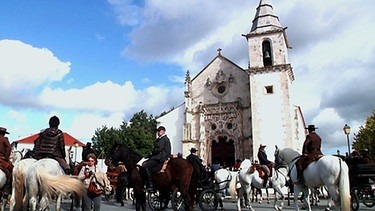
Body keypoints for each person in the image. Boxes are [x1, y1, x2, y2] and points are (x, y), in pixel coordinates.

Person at [142, 126, 171, 191]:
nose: (158, 132)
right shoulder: (161, 139)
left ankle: (150, 184)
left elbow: (158, 149)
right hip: (159, 156)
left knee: (145, 167)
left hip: (160, 157)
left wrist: (151, 153)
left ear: (163, 131)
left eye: (159, 131)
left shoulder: (163, 139)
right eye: (158, 131)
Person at [0, 127, 13, 194]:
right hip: (1, 159)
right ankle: (7, 188)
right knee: (12, 170)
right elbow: (8, 148)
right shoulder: (4, 139)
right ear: (4, 133)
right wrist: (6, 158)